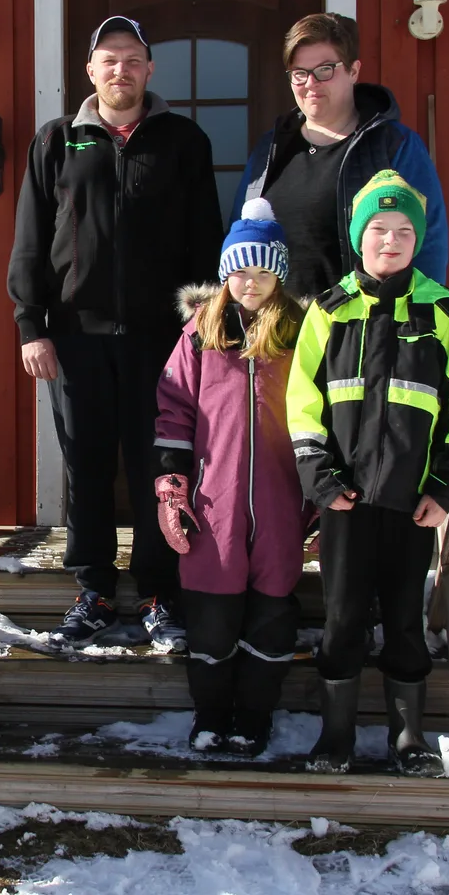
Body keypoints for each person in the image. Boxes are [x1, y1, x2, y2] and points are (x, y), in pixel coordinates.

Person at [7, 15, 224, 649]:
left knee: (159, 464)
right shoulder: (57, 142)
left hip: (162, 340)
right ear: (89, 71)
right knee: (87, 462)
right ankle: (95, 589)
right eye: (108, 60)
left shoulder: (182, 141)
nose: (120, 70)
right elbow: (29, 243)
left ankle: (159, 590)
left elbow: (205, 238)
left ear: (149, 69)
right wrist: (30, 324)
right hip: (76, 336)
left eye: (131, 59)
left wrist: (204, 326)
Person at [286, 170, 449, 776]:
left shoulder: (442, 311)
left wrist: (443, 487)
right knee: (343, 618)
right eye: (378, 228)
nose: (391, 240)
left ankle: (409, 740)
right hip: (345, 501)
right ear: (359, 237)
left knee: (405, 620)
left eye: (404, 230)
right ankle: (336, 737)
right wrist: (320, 479)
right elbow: (302, 401)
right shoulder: (329, 311)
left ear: (416, 239)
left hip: (412, 503)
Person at [154, 199, 310, 757]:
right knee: (213, 620)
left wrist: (316, 489)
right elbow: (174, 410)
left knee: (270, 615)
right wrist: (171, 487)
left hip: (279, 502)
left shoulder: (300, 332)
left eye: (263, 271)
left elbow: (320, 412)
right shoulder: (200, 333)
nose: (251, 282)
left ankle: (255, 717)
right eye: (241, 270)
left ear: (278, 276)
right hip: (211, 503)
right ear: (226, 274)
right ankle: (210, 716)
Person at [232, 13, 448, 300]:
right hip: (276, 333)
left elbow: (428, 241)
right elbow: (240, 236)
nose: (311, 83)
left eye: (325, 70)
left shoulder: (393, 145)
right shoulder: (271, 148)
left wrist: (414, 319)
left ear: (353, 71)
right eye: (300, 73)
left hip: (358, 330)